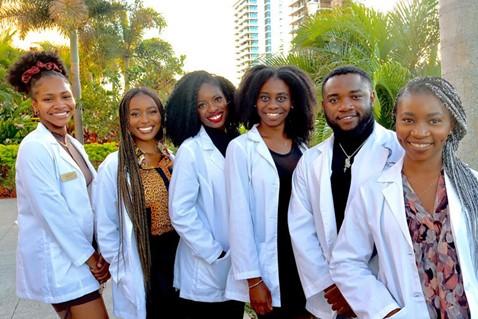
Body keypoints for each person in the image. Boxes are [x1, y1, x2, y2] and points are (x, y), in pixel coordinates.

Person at [330, 77, 478, 318]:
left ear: (451, 125)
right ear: (395, 122)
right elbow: (346, 262)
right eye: (408, 120)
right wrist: (387, 311)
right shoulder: (372, 193)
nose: (419, 132)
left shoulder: (473, 187)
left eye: (434, 121)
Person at [287, 66, 403, 318]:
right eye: (334, 99)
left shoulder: (399, 152)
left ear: (371, 97)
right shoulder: (311, 162)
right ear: (324, 105)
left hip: (386, 292)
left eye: (355, 96)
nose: (345, 106)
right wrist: (330, 285)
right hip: (330, 297)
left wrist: (358, 290)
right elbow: (301, 228)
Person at [8, 51, 110, 319]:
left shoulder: (73, 144)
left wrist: (101, 250)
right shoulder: (34, 147)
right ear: (35, 106)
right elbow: (52, 214)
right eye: (48, 99)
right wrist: (90, 259)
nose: (60, 104)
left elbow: (91, 199)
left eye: (65, 95)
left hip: (83, 256)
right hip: (61, 261)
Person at [224, 65, 316, 319]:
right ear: (254, 101)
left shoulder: (303, 149)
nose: (272, 105)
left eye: (281, 98)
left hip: (304, 260)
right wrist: (253, 280)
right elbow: (239, 217)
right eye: (264, 97)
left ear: (294, 102)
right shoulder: (241, 149)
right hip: (271, 263)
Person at [92, 87, 179, 319]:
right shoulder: (115, 166)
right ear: (125, 120)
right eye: (135, 114)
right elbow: (106, 225)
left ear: (161, 115)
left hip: (179, 257)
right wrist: (120, 267)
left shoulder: (172, 158)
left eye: (152, 111)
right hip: (143, 261)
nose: (145, 120)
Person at [165, 71, 244, 318]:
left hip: (239, 266)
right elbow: (180, 212)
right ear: (192, 110)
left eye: (217, 99)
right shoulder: (192, 150)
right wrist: (214, 252)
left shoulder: (239, 142)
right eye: (202, 104)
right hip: (205, 267)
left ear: (228, 100)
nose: (212, 108)